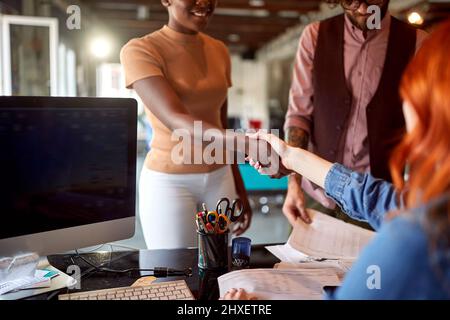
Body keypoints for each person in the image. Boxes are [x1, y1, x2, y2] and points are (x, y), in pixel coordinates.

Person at [225, 19, 450, 300]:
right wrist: (291, 157)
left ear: (432, 113)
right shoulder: (431, 214)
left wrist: (262, 304)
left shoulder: (414, 242)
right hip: (317, 197)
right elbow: (375, 198)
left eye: (410, 95)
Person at [120, 0, 262, 249]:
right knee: (174, 272)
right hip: (170, 181)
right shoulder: (141, 49)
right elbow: (179, 122)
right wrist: (246, 142)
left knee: (218, 267)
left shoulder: (219, 49)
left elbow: (220, 124)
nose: (204, 2)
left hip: (220, 177)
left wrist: (239, 186)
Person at [281, 0, 428, 228]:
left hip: (377, 202)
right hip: (316, 197)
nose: (362, 9)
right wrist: (293, 184)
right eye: (351, 1)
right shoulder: (315, 36)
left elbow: (423, 131)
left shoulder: (417, 43)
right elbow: (299, 116)